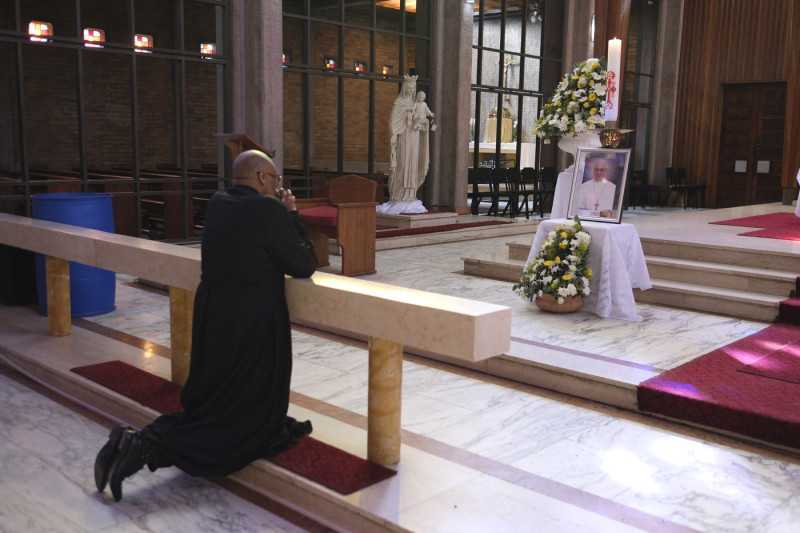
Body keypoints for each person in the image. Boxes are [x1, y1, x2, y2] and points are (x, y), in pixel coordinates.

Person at [94, 149, 318, 502]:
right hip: (252, 324)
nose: (277, 188)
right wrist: (292, 214)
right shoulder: (268, 208)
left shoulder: (218, 202)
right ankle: (143, 447)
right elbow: (304, 262)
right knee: (239, 422)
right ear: (262, 177)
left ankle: (135, 442)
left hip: (215, 317)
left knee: (218, 400)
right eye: (275, 180)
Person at [379, 74, 431, 212]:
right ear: (404, 87)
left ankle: (410, 196)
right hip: (403, 139)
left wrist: (423, 123)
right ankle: (398, 195)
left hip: (414, 139)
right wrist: (405, 123)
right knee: (402, 165)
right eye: (409, 87)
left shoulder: (417, 103)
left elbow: (424, 118)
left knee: (413, 165)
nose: (411, 90)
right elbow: (392, 124)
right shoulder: (399, 103)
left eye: (413, 88)